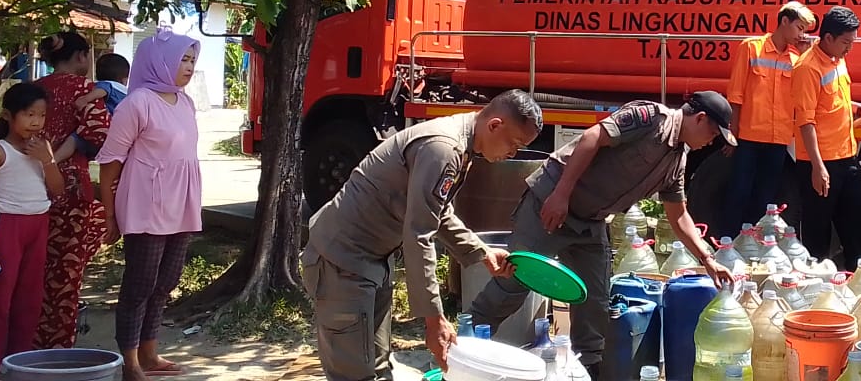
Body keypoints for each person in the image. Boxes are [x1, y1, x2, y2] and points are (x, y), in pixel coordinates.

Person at [469, 92, 737, 378]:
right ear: (700, 119)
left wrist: (708, 259)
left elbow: (678, 215)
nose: (711, 142)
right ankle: (463, 346)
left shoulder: (677, 160)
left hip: (590, 223)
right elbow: (592, 138)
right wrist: (561, 194)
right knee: (513, 282)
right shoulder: (650, 118)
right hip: (550, 204)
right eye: (712, 133)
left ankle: (586, 371)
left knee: (594, 302)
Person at [304, 90, 543, 380]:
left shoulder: (462, 145)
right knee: (353, 374)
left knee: (377, 367)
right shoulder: (443, 148)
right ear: (495, 125)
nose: (513, 154)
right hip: (341, 259)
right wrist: (434, 320)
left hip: (370, 261)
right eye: (514, 144)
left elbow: (436, 213)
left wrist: (482, 252)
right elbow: (419, 235)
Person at [96, 29, 204, 381]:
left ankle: (150, 353)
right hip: (146, 204)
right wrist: (109, 216)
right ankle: (129, 362)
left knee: (166, 281)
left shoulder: (185, 102)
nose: (188, 67)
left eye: (191, 60)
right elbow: (110, 163)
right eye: (182, 60)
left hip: (181, 204)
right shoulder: (137, 103)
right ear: (160, 62)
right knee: (139, 284)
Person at [0, 83, 65, 380]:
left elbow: (57, 189)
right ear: (8, 116)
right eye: (29, 114)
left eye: (41, 115)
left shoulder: (44, 148)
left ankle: (19, 365)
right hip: (7, 227)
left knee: (29, 299)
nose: (36, 122)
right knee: (0, 300)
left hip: (38, 224)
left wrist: (47, 159)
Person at [31, 31, 112, 349]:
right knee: (65, 275)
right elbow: (98, 132)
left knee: (33, 268)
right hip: (72, 190)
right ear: (81, 57)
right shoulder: (85, 90)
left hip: (29, 188)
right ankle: (57, 351)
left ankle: (28, 344)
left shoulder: (32, 90)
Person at [792, 6, 861, 269]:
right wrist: (818, 168)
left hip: (847, 157)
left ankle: (860, 286)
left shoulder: (838, 59)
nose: (849, 48)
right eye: (845, 42)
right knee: (818, 235)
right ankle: (817, 291)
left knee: (857, 227)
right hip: (820, 163)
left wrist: (858, 108)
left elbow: (833, 101)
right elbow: (805, 121)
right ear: (828, 38)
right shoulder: (807, 68)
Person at [723, 1, 816, 236]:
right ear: (784, 22)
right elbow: (736, 94)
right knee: (739, 191)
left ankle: (753, 243)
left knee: (765, 198)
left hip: (778, 140)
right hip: (749, 136)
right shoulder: (751, 48)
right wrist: (732, 133)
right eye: (799, 27)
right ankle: (728, 242)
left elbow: (806, 87)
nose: (801, 35)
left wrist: (806, 54)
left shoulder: (797, 59)